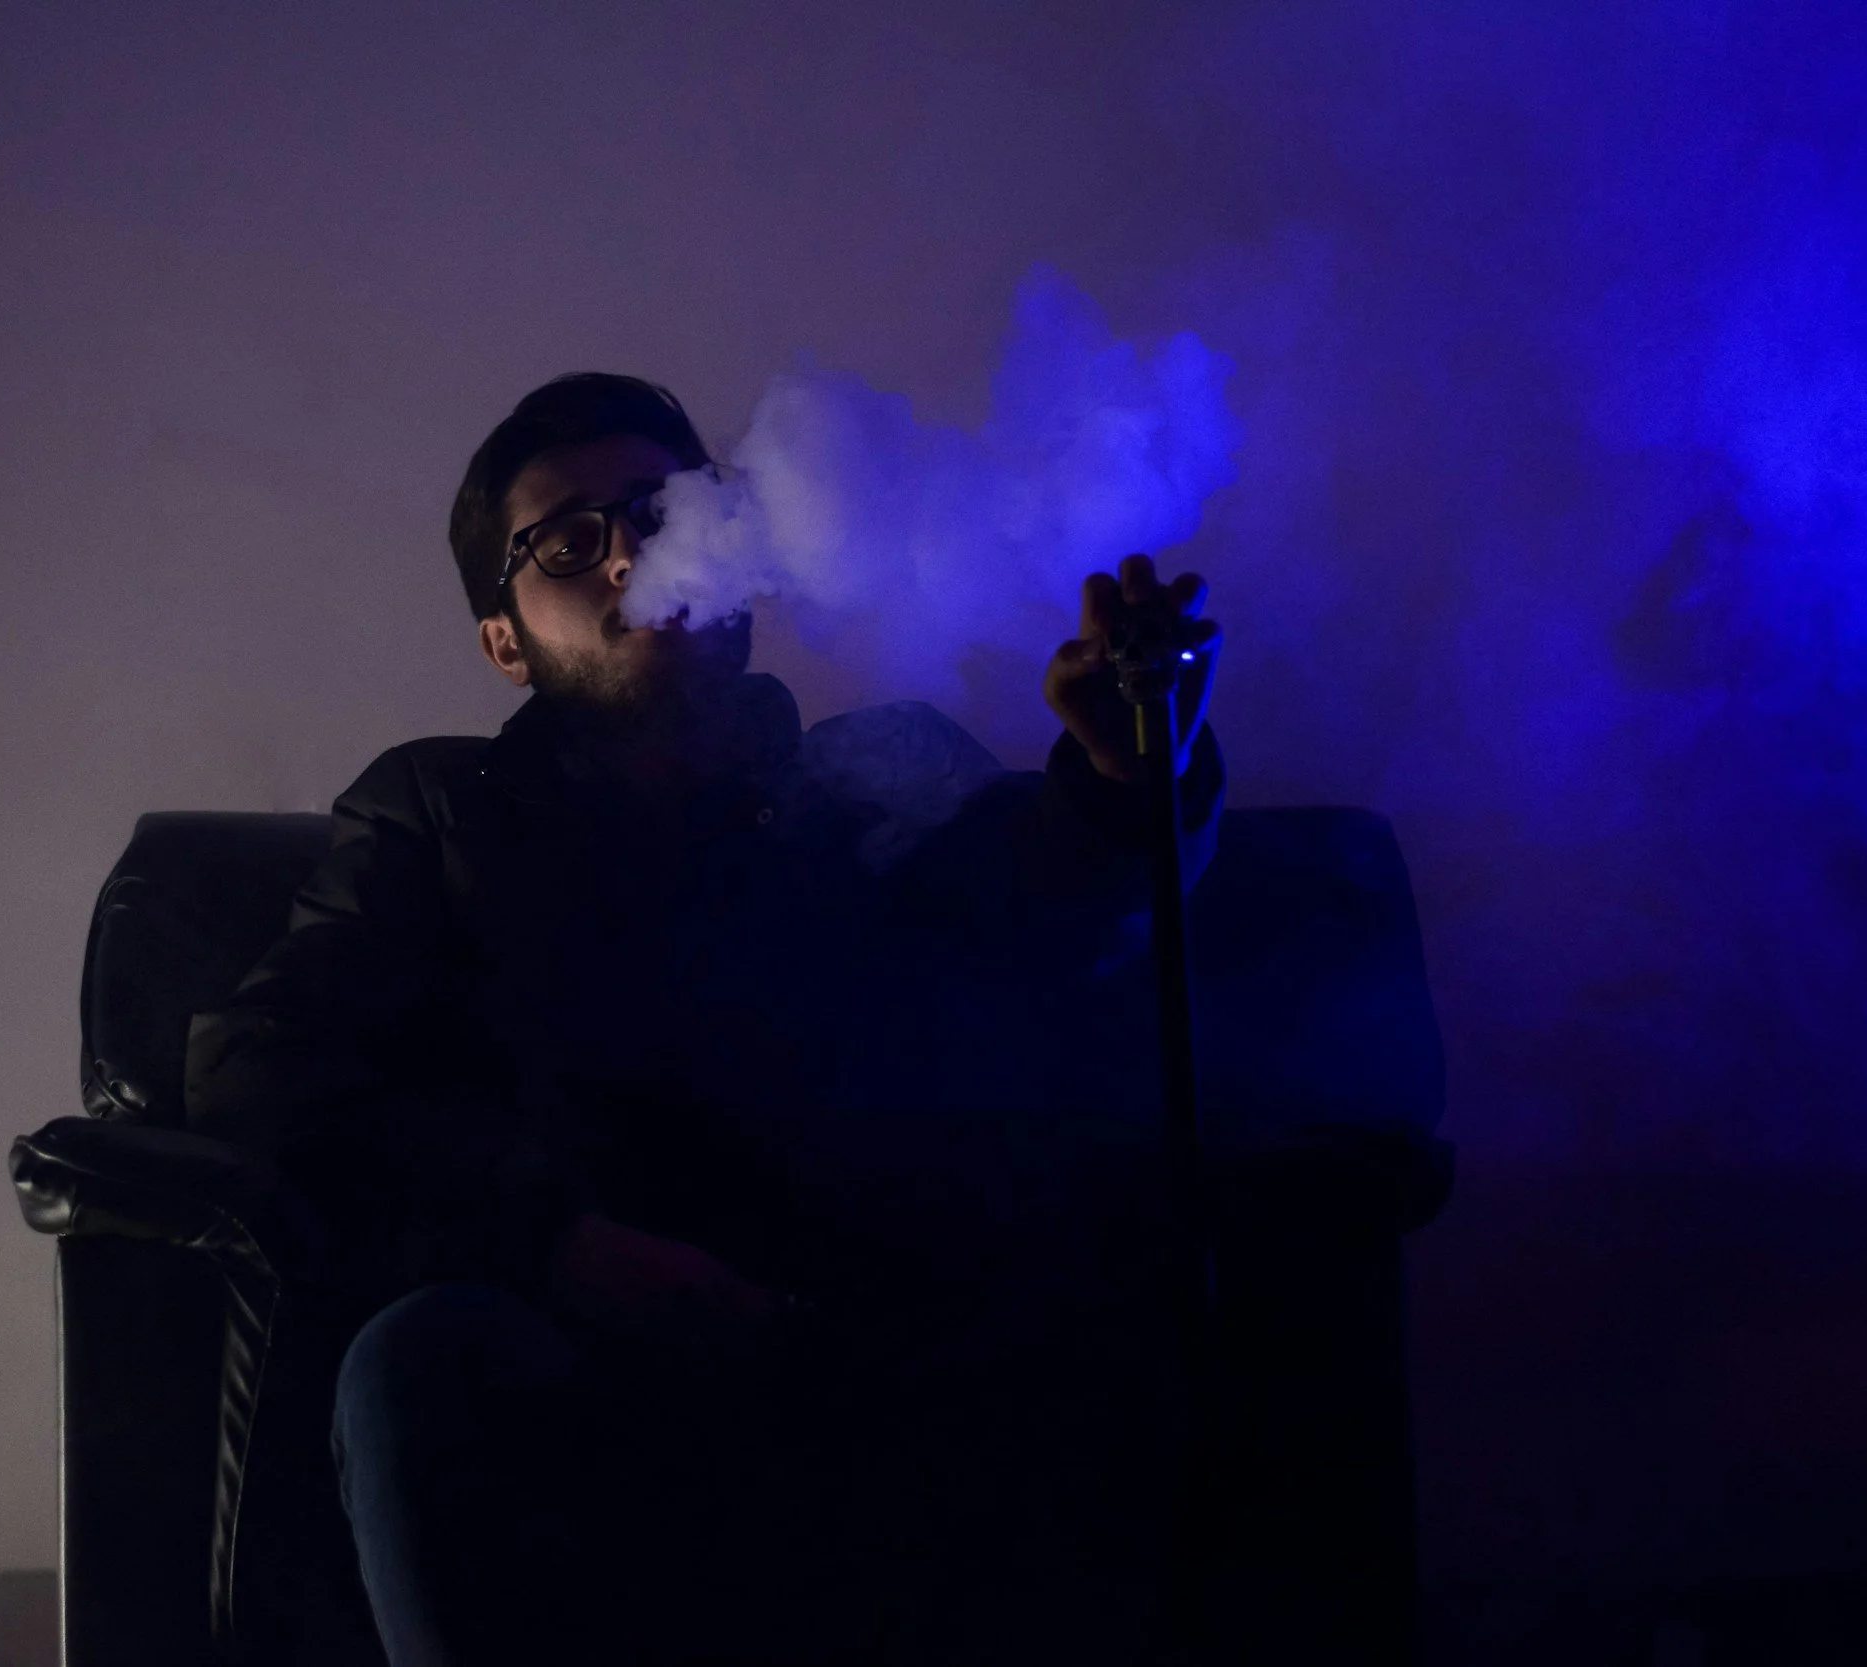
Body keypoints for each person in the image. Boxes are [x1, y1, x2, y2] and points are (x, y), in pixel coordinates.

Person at [186, 372, 1224, 1666]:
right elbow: (255, 1070)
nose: (632, 553)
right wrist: (547, 1241)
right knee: (417, 1359)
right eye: (569, 544)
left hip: (863, 1362)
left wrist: (1125, 770)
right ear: (504, 640)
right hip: (566, 1377)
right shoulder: (439, 819)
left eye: (661, 510)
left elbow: (1063, 936)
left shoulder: (872, 777)